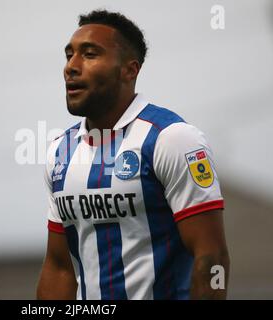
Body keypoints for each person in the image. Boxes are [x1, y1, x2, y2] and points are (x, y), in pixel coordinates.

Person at [37, 10, 230, 300]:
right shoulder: (59, 152)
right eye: (69, 55)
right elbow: (59, 266)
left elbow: (211, 257)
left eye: (89, 54)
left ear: (130, 70)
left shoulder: (173, 139)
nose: (71, 67)